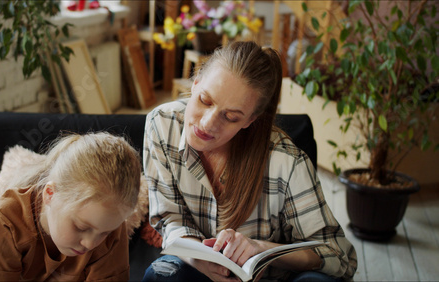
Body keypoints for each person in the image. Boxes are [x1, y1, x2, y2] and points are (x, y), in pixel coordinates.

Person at [142, 41, 357, 281]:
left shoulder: (287, 162)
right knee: (162, 275)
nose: (208, 124)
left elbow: (339, 256)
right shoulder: (161, 125)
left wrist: (263, 249)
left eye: (231, 117)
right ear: (195, 83)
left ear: (250, 120)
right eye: (205, 100)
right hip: (196, 272)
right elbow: (170, 218)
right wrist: (199, 260)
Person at [0, 132, 141, 281]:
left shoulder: (112, 231)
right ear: (50, 194)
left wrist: (102, 232)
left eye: (104, 232)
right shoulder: (3, 222)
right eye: (81, 227)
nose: (90, 243)